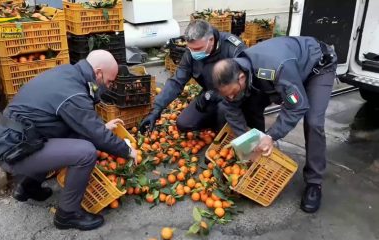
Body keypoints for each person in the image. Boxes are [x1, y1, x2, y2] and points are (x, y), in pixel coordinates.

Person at [0, 50, 137, 230]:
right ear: (98, 73)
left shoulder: (69, 74)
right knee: (85, 152)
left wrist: (101, 128)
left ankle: (28, 186)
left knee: (73, 140)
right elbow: (94, 133)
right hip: (14, 150)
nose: (109, 86)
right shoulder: (73, 92)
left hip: (19, 141)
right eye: (109, 81)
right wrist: (127, 150)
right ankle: (67, 215)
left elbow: (77, 121)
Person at [212, 36, 338, 213]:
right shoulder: (235, 73)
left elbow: (297, 106)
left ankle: (314, 182)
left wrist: (271, 136)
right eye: (227, 94)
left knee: (313, 121)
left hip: (316, 68)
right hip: (288, 72)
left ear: (241, 78)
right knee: (250, 104)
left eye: (233, 92)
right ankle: (260, 157)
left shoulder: (275, 68)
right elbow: (230, 107)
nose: (230, 97)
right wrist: (248, 141)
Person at [139, 19, 246, 133]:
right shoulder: (191, 54)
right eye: (191, 49)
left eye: (198, 49)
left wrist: (214, 94)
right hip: (208, 96)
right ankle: (214, 121)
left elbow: (245, 82)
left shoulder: (232, 48)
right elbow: (176, 81)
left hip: (235, 97)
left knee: (223, 113)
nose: (194, 52)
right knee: (184, 123)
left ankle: (228, 127)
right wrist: (156, 109)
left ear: (211, 40)